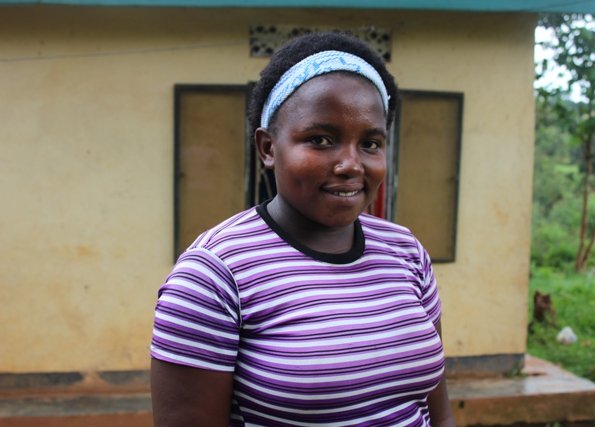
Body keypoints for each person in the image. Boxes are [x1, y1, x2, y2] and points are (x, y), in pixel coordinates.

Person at [150, 31, 455, 427]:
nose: (351, 164)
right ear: (268, 148)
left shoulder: (406, 252)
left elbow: (437, 412)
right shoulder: (213, 276)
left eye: (370, 144)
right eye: (321, 139)